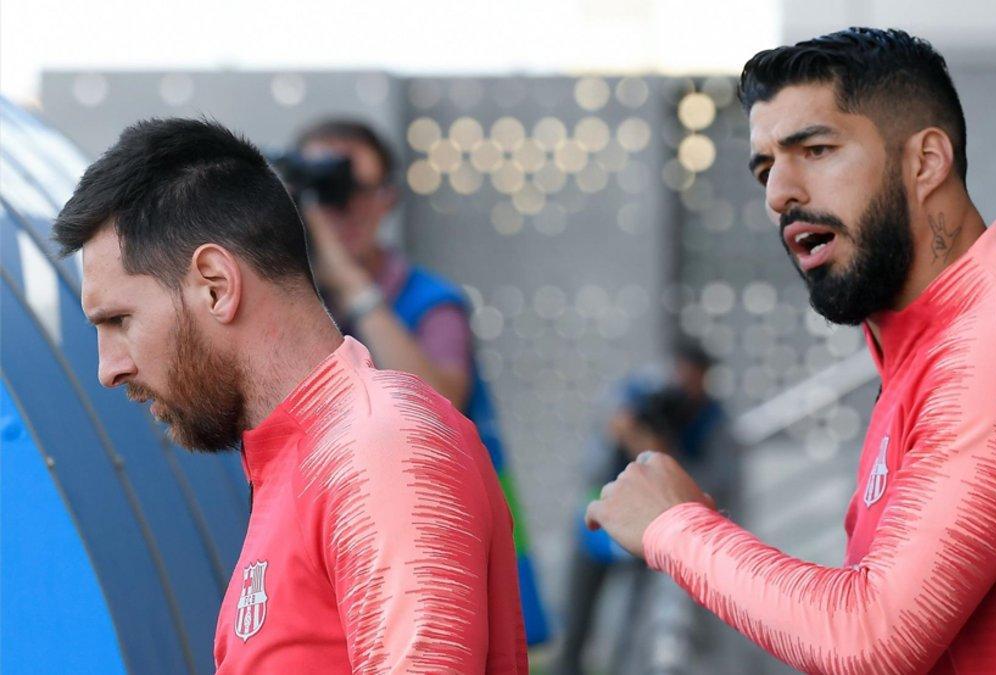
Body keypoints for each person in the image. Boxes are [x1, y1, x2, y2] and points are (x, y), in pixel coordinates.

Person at [586, 27, 996, 673]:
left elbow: (870, 637)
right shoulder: (922, 348)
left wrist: (676, 526)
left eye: (815, 148)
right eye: (765, 167)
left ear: (924, 162)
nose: (779, 193)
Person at [52, 118, 527, 673]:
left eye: (119, 320)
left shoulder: (378, 447)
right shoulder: (305, 454)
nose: (109, 369)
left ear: (216, 284)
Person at [292, 119, 550, 645]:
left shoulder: (432, 302)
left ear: (386, 198)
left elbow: (435, 402)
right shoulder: (296, 304)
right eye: (320, 190)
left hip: (451, 552)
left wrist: (351, 284)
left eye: (351, 188)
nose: (338, 207)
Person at [558, 342, 740, 675]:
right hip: (598, 524)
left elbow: (712, 482)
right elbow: (593, 464)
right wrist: (625, 433)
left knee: (633, 626)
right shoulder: (635, 397)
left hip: (648, 532)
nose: (685, 386)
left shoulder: (711, 423)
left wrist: (663, 453)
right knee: (576, 620)